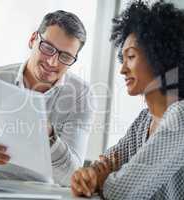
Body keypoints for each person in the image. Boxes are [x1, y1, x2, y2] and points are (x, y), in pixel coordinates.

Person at [71, 0, 184, 199]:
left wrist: (104, 180)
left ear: (159, 56)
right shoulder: (145, 120)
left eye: (131, 57)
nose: (122, 69)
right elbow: (107, 162)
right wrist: (90, 175)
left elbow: (121, 192)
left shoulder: (180, 116)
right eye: (122, 60)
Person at [0, 10, 94, 186]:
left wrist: (50, 137)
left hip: (46, 194)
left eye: (65, 56)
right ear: (32, 40)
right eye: (47, 48)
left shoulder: (81, 96)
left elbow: (71, 179)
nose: (52, 62)